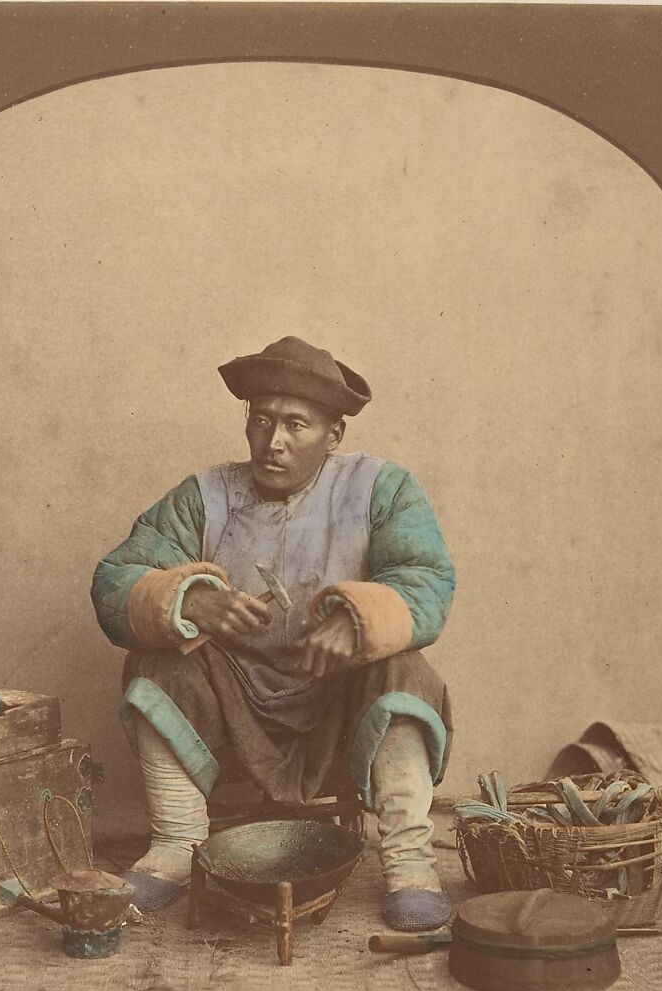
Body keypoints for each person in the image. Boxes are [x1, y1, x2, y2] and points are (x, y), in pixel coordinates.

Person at [91, 336, 456, 931]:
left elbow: (427, 580)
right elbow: (115, 579)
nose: (274, 442)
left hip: (338, 705)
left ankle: (411, 862)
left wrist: (354, 621)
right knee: (156, 664)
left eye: (296, 424)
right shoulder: (205, 497)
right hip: (234, 710)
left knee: (406, 671)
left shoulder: (380, 489)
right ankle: (177, 846)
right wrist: (195, 601)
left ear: (334, 434)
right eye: (260, 421)